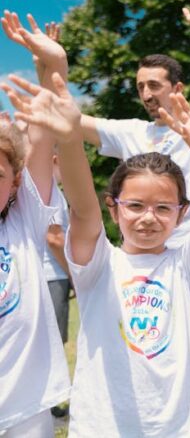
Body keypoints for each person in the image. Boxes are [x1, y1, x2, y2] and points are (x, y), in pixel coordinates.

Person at [13, 70, 190, 435]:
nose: (149, 218)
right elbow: (83, 208)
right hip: (105, 427)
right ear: (114, 209)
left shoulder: (188, 265)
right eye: (135, 206)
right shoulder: (98, 264)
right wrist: (68, 140)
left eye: (163, 208)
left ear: (181, 213)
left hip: (181, 428)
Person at [3, 0, 190, 248]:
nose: (146, 94)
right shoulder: (132, 132)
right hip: (137, 256)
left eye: (154, 85)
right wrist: (49, 66)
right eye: (141, 87)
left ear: (178, 88)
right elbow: (65, 117)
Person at [0, 74, 69, 437]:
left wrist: (50, 68)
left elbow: (41, 144)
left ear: (14, 184)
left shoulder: (23, 222)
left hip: (25, 405)